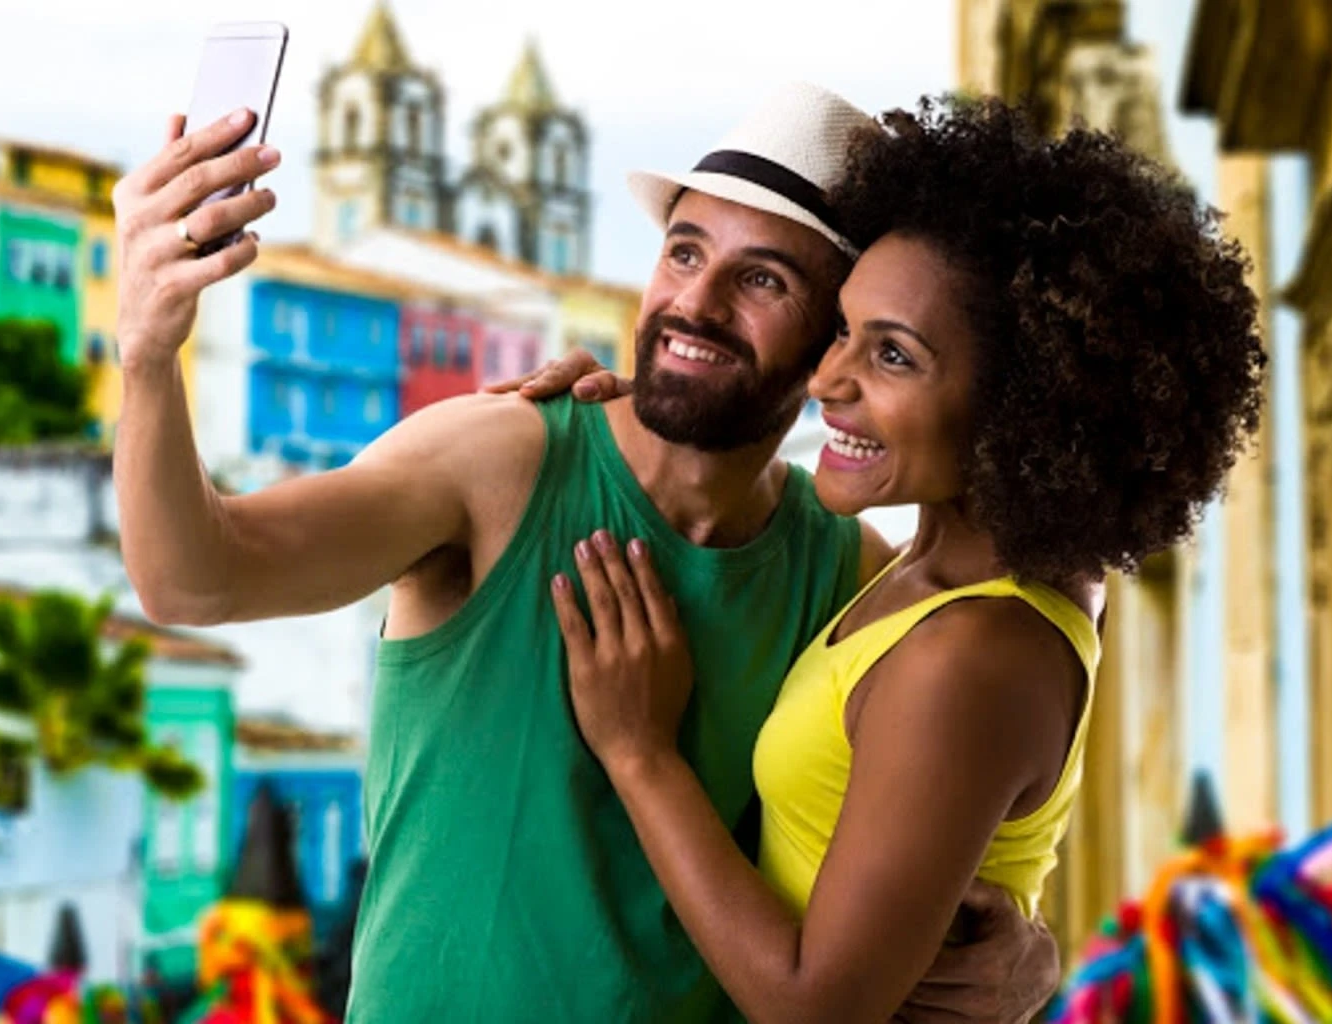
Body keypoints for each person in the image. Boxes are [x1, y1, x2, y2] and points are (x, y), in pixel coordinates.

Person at [110, 82, 1060, 1021]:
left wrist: (1027, 954)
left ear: (834, 340)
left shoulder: (846, 571)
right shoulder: (496, 459)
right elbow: (197, 580)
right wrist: (148, 357)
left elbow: (909, 846)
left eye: (763, 279)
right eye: (683, 252)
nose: (695, 303)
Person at [515, 96, 1266, 1022]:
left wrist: (639, 753)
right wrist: (665, 401)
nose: (830, 380)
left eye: (894, 356)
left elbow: (813, 1009)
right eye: (842, 330)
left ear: (1022, 408)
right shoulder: (932, 575)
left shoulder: (972, 652)